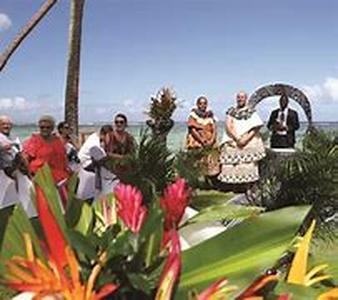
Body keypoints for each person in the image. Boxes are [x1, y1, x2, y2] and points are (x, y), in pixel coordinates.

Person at [218, 91, 266, 189]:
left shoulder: (251, 111)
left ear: (246, 99)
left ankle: (248, 186)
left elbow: (256, 127)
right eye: (238, 97)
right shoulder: (231, 111)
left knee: (248, 164)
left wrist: (246, 139)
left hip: (248, 139)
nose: (240, 99)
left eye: (242, 97)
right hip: (234, 139)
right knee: (233, 165)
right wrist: (237, 138)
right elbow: (228, 125)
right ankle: (234, 186)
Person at [0, 116, 35, 216]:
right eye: (4, 124)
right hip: (6, 168)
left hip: (15, 166)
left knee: (23, 157)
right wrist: (6, 146)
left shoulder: (9, 137)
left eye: (8, 124)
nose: (6, 126)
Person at [23, 115, 70, 183]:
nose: (45, 129)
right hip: (40, 176)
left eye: (48, 127)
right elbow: (26, 159)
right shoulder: (34, 140)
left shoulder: (57, 141)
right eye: (42, 127)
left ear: (52, 128)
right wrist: (29, 177)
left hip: (59, 176)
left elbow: (63, 159)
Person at [77, 125, 118, 200]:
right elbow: (104, 161)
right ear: (103, 134)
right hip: (87, 167)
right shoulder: (95, 145)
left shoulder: (94, 136)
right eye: (110, 137)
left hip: (87, 165)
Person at [185, 96, 219, 176]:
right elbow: (192, 129)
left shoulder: (210, 116)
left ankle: (210, 180)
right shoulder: (193, 116)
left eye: (204, 103)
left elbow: (214, 129)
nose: (203, 105)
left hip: (210, 142)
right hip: (197, 142)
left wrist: (212, 140)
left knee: (211, 161)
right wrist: (202, 140)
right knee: (197, 163)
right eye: (200, 103)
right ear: (197, 104)